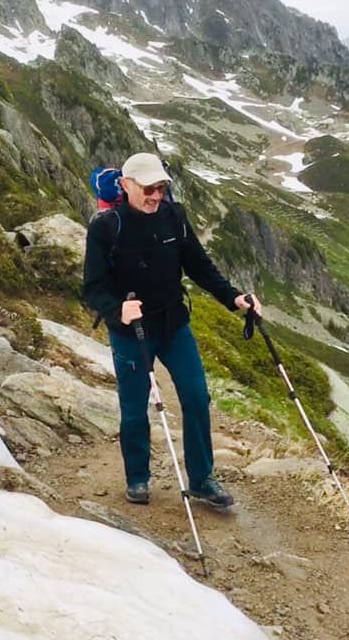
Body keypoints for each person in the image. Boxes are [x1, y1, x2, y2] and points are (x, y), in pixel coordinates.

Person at [82, 153, 261, 507]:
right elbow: (92, 286)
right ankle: (137, 478)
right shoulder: (106, 226)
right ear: (127, 185)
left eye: (161, 188)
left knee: (196, 397)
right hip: (130, 332)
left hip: (174, 324)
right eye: (149, 188)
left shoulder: (174, 218)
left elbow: (199, 266)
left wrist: (234, 298)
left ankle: (202, 479)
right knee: (134, 407)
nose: (155, 196)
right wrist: (117, 309)